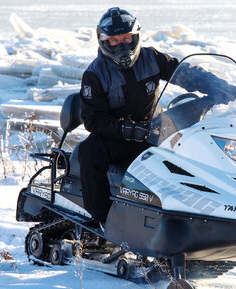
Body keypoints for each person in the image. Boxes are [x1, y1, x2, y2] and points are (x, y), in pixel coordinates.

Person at [78, 7, 179, 227]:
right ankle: (101, 220)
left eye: (127, 38)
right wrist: (126, 129)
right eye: (115, 41)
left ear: (136, 37)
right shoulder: (95, 74)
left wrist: (217, 86)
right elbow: (93, 120)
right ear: (104, 41)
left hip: (152, 134)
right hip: (115, 139)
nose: (122, 45)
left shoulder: (152, 58)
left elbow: (184, 72)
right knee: (89, 150)